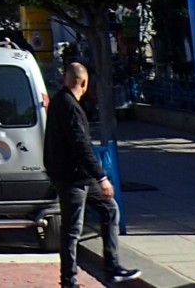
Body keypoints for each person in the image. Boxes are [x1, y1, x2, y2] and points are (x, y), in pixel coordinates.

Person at [44, 62, 140, 288]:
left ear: (65, 80)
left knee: (109, 210)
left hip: (74, 176)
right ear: (84, 83)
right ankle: (69, 281)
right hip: (73, 178)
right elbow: (81, 146)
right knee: (72, 229)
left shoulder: (59, 102)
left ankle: (112, 266)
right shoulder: (70, 107)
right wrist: (102, 177)